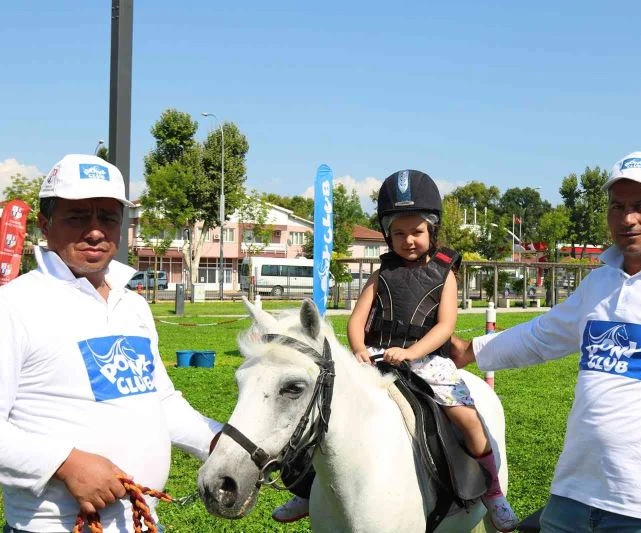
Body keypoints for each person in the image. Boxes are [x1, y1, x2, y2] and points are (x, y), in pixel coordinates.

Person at [449, 151, 641, 533]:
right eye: (618, 207)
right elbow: (541, 336)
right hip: (571, 500)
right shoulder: (599, 283)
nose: (628, 219)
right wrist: (469, 351)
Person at [271, 170, 519, 532]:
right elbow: (357, 321)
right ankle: (309, 489)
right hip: (377, 356)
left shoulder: (445, 275)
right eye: (398, 233)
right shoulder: (381, 273)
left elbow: (444, 327)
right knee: (326, 412)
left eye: (416, 231)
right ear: (388, 235)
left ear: (432, 230)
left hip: (429, 361)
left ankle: (493, 492)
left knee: (468, 420)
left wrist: (412, 352)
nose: (408, 240)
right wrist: (359, 349)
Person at [0, 154, 222, 533]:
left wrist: (219, 441)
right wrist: (63, 463)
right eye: (77, 217)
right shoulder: (14, 306)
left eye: (108, 217)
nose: (95, 231)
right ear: (44, 225)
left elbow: (160, 400)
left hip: (142, 523)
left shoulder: (132, 305)